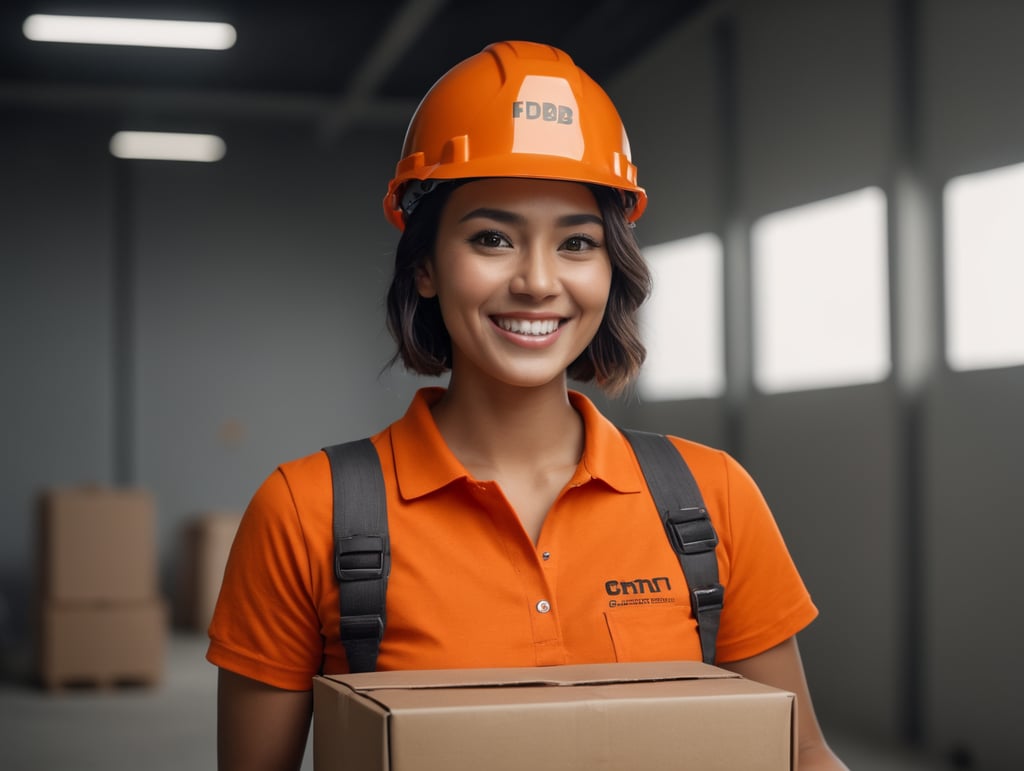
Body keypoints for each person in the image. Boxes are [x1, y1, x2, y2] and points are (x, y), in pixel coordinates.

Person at [208, 40, 848, 770]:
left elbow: (801, 755)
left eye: (576, 242)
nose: (539, 281)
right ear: (424, 266)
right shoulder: (306, 513)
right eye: (492, 238)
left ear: (613, 268)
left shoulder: (712, 500)